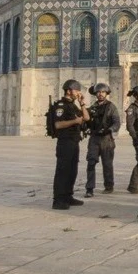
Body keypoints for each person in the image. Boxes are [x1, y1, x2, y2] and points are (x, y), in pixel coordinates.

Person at [51, 79, 90, 209]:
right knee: (63, 171)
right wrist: (74, 121)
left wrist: (82, 103)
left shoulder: (73, 105)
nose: (78, 92)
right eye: (76, 90)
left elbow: (86, 118)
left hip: (74, 141)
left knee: (72, 170)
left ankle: (68, 196)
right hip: (65, 142)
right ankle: (58, 200)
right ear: (69, 90)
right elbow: (58, 124)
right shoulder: (61, 105)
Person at [84, 83, 121, 197]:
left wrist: (109, 130)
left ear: (106, 93)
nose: (100, 94)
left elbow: (117, 123)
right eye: (98, 92)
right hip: (94, 138)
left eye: (103, 92)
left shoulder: (111, 107)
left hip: (106, 139)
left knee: (107, 164)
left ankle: (109, 186)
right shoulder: (92, 108)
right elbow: (86, 120)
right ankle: (89, 188)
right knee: (91, 162)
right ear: (95, 94)